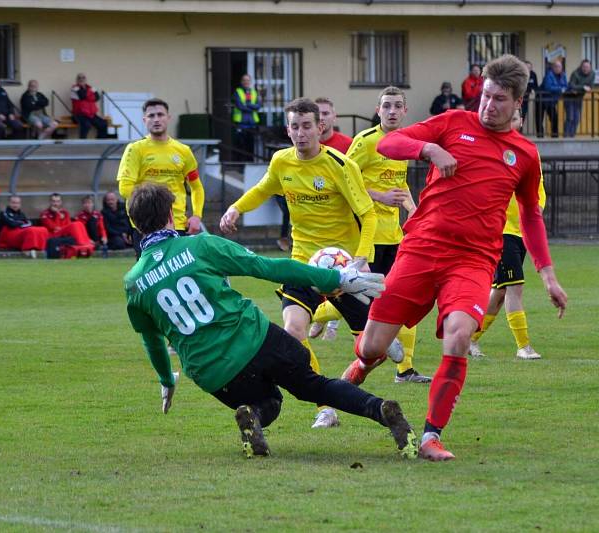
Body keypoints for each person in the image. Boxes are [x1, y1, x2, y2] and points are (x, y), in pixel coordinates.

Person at [346, 55, 567, 461]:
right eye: (485, 95)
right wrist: (429, 149)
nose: (488, 106)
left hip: (473, 260)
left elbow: (532, 216)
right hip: (421, 248)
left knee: (460, 335)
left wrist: (548, 275)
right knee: (374, 345)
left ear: (518, 103)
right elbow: (387, 143)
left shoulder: (525, 154)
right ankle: (362, 361)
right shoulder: (452, 123)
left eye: (499, 99)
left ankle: (431, 436)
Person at [126, 183, 418, 459]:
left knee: (268, 404)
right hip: (254, 338)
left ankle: (252, 417)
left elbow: (150, 340)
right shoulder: (199, 246)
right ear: (169, 215)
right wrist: (336, 278)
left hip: (211, 371)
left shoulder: (134, 282)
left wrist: (167, 380)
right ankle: (380, 409)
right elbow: (266, 266)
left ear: (135, 224)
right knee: (313, 385)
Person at [220, 98, 389, 430]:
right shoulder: (282, 162)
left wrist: (362, 256)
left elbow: (368, 213)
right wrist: (236, 208)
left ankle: (352, 374)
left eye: (307, 125)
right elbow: (262, 189)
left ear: (320, 128)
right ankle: (325, 404)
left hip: (343, 267)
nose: (300, 133)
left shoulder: (340, 166)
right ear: (288, 129)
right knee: (293, 331)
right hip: (302, 261)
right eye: (294, 126)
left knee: (375, 350)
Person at [313, 87, 431, 384]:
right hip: (368, 236)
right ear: (378, 110)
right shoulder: (365, 143)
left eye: (397, 106)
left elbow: (400, 188)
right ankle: (311, 312)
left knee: (404, 298)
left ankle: (405, 369)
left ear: (405, 111)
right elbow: (343, 182)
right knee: (363, 300)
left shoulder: (406, 143)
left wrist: (414, 212)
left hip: (396, 236)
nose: (392, 111)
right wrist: (378, 196)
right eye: (387, 106)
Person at [469, 109, 547, 361]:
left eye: (515, 119)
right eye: (507, 118)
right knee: (515, 287)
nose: (510, 123)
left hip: (520, 232)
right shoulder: (492, 151)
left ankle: (470, 338)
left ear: (521, 121)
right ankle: (523, 347)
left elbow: (538, 188)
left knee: (500, 293)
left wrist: (537, 210)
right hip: (499, 232)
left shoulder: (528, 152)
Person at [117, 98, 204, 257]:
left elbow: (196, 187)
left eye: (160, 115)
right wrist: (152, 207)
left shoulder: (183, 151)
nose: (156, 119)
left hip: (176, 222)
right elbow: (125, 188)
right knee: (149, 274)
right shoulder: (135, 149)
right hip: (146, 223)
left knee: (177, 271)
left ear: (168, 118)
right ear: (144, 120)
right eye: (151, 116)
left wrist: (197, 215)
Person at [231, 73, 261, 161]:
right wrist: (252, 107)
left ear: (250, 82)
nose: (246, 82)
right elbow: (240, 106)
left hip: (252, 124)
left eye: (247, 80)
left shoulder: (254, 92)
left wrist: (248, 104)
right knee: (240, 145)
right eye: (244, 80)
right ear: (241, 81)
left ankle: (250, 163)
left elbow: (258, 106)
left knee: (250, 145)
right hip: (241, 123)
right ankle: (240, 165)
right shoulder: (238, 92)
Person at [70, 73, 109, 139]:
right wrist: (90, 95)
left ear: (86, 79)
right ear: (76, 80)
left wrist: (88, 96)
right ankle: (82, 143)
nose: (81, 79)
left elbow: (97, 98)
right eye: (79, 78)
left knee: (103, 124)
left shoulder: (90, 88)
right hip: (79, 114)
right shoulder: (74, 88)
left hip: (91, 114)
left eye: (83, 77)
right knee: (86, 125)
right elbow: (82, 96)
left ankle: (100, 141)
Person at [565, 59, 595, 138]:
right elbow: (571, 85)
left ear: (590, 67)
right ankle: (566, 136)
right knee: (570, 118)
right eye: (584, 66)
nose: (586, 68)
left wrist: (579, 88)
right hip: (569, 97)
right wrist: (583, 87)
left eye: (588, 67)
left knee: (576, 119)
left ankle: (572, 136)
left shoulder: (592, 74)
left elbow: (590, 87)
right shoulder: (575, 73)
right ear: (581, 67)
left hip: (579, 98)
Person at [540, 60, 567, 138]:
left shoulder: (563, 75)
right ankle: (540, 137)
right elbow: (548, 87)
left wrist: (561, 88)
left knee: (554, 119)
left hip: (552, 101)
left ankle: (555, 137)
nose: (558, 68)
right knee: (540, 120)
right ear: (553, 67)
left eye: (559, 66)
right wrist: (560, 89)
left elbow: (566, 85)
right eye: (556, 66)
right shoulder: (549, 75)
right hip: (542, 100)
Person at [521, 60, 539, 132]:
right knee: (518, 116)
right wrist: (528, 90)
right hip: (519, 98)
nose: (528, 69)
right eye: (526, 67)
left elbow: (535, 86)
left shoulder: (533, 75)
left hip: (526, 99)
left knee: (523, 115)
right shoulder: (520, 75)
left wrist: (533, 89)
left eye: (529, 67)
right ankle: (518, 131)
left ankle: (520, 132)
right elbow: (520, 86)